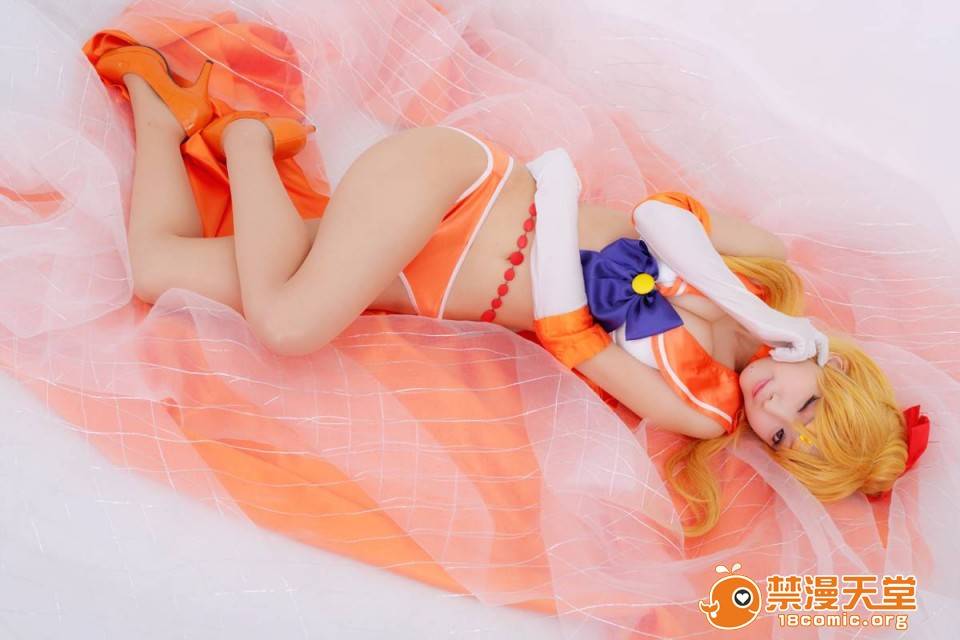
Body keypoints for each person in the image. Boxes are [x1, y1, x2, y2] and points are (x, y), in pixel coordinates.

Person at [89, 36, 924, 537]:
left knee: (158, 270)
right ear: (831, 365)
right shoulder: (764, 264)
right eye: (806, 407)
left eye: (781, 439)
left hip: (414, 279)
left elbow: (567, 333)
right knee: (290, 326)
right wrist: (755, 313)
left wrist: (558, 196)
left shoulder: (704, 408)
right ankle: (245, 137)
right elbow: (657, 217)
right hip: (457, 190)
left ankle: (165, 111)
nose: (774, 413)